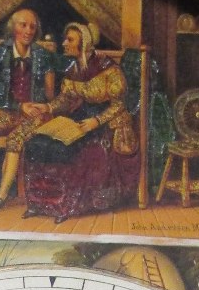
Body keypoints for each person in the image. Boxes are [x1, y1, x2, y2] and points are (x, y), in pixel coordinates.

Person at [22, 21, 139, 224]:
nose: (65, 43)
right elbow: (65, 99)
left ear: (84, 43)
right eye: (66, 38)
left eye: (70, 39)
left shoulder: (108, 68)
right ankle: (39, 203)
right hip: (81, 116)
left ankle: (65, 205)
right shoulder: (73, 68)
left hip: (107, 122)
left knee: (68, 149)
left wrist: (96, 121)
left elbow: (120, 104)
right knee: (37, 143)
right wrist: (47, 108)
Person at [0, 8, 60, 212]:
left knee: (15, 139)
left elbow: (51, 95)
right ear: (13, 27)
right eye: (22, 25)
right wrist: (17, 105)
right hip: (9, 110)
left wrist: (42, 107)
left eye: (32, 26)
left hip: (37, 114)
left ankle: (2, 195)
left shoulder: (43, 56)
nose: (28, 30)